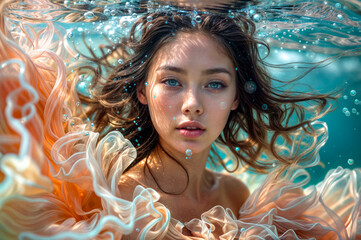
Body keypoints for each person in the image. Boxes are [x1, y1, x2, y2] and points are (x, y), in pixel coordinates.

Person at [0, 3, 360, 239]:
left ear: (236, 97)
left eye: (215, 84)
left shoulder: (236, 195)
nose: (192, 105)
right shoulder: (115, 200)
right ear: (142, 91)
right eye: (171, 81)